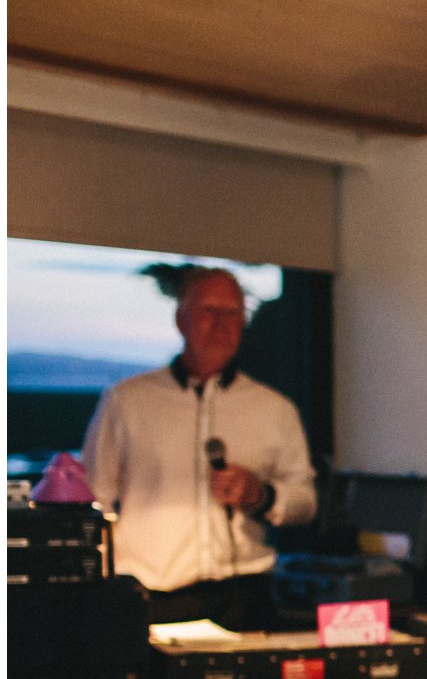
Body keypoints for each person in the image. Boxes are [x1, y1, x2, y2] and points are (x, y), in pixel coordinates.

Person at [82, 267, 316, 630]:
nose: (221, 324)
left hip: (244, 598)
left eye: (233, 313)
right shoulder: (127, 401)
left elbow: (305, 501)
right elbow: (95, 501)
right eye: (209, 310)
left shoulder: (275, 409)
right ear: (181, 319)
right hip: (154, 598)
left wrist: (261, 495)